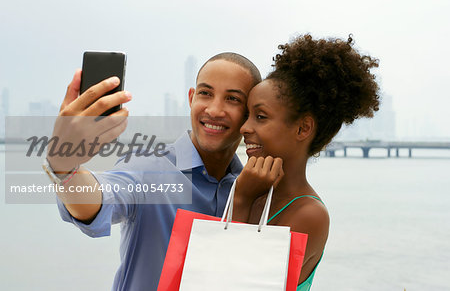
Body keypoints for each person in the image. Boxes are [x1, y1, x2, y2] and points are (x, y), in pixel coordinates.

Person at [46, 52, 261, 290]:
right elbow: (98, 201)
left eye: (232, 99)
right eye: (205, 93)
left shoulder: (251, 188)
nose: (214, 109)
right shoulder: (148, 169)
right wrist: (63, 165)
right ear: (191, 98)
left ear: (250, 113)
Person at [233, 34, 380, 290]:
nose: (245, 127)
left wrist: (241, 200)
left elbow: (242, 283)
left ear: (303, 128)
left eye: (260, 116)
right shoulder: (253, 188)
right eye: (247, 115)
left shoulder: (309, 215)